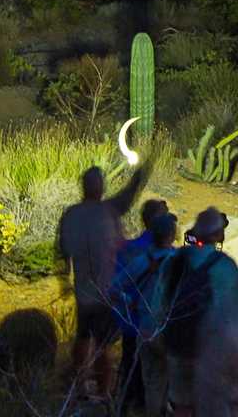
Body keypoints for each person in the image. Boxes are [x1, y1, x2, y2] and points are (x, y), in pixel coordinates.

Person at [54, 161, 153, 400]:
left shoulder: (71, 216)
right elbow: (128, 196)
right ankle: (104, 392)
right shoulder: (107, 210)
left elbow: (61, 253)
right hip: (107, 290)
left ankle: (78, 387)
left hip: (83, 291)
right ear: (99, 187)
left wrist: (64, 281)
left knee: (83, 336)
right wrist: (140, 175)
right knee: (103, 345)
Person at [146, 207, 238, 417]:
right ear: (219, 234)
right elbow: (235, 314)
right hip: (211, 350)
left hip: (178, 345)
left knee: (182, 405)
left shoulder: (173, 260)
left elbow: (159, 303)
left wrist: (160, 340)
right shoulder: (225, 266)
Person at [115, 208, 178, 412]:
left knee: (152, 382)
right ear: (172, 235)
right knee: (174, 382)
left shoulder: (142, 260)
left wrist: (130, 302)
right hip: (169, 330)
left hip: (145, 328)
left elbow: (113, 289)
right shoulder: (180, 262)